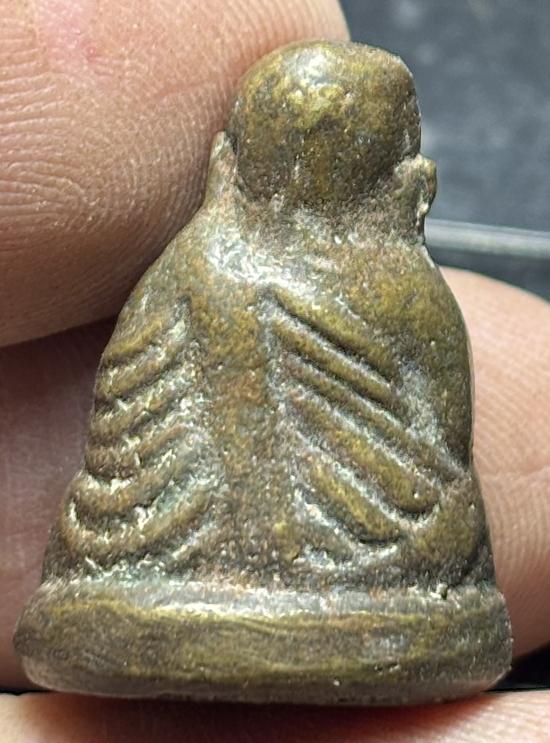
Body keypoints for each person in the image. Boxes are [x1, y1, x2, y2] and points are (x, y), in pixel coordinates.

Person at [1, 0, 549, 739]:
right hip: (379, 601)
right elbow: (440, 463)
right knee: (449, 525)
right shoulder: (408, 295)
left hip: (134, 593)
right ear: (412, 185)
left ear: (225, 165)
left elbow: (117, 443)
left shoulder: (181, 272)